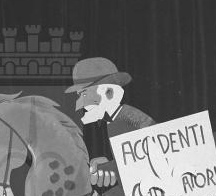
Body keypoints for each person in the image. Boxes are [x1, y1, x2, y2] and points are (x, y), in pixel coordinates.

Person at [65, 56, 155, 188]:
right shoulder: (109, 122)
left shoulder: (131, 118)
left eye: (84, 95)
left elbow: (153, 157)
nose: (81, 104)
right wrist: (106, 165)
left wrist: (110, 167)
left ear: (109, 92)